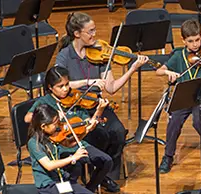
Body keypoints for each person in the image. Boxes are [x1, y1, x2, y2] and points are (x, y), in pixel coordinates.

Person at [55, 11, 145, 186]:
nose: (94, 35)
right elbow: (59, 85)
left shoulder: (100, 53)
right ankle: (90, 171)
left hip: (97, 105)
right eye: (90, 31)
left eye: (94, 30)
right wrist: (88, 81)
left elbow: (111, 88)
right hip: (74, 107)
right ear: (77, 33)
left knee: (118, 131)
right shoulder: (65, 56)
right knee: (98, 135)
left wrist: (132, 68)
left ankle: (105, 174)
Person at [24, 66, 115, 192]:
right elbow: (28, 118)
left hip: (74, 141)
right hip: (60, 147)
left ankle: (90, 188)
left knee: (106, 161)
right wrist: (54, 116)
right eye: (60, 86)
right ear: (50, 87)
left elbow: (85, 124)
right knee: (75, 167)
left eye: (67, 84)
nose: (66, 89)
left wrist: (99, 111)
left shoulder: (76, 99)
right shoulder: (45, 103)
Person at [155, 19, 201, 173]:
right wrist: (168, 72)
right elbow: (159, 70)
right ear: (183, 41)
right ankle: (168, 156)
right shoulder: (178, 55)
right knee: (174, 121)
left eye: (198, 40)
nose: (195, 45)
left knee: (198, 120)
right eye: (191, 41)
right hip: (185, 97)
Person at [27, 104, 94, 194]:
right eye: (55, 124)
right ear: (43, 126)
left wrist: (85, 131)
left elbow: (69, 143)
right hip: (48, 185)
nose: (58, 126)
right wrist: (72, 158)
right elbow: (49, 165)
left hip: (61, 180)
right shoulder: (33, 143)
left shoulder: (54, 135)